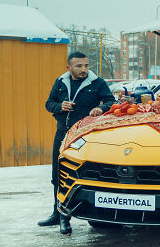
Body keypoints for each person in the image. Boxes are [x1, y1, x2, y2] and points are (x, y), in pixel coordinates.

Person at [39, 52, 116, 236]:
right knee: (58, 175)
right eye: (79, 66)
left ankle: (72, 216)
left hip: (85, 136)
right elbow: (49, 103)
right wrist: (60, 106)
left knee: (77, 174)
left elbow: (111, 101)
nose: (84, 70)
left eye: (86, 66)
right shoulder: (60, 82)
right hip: (62, 134)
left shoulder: (97, 82)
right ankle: (58, 214)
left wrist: (101, 108)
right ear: (69, 68)